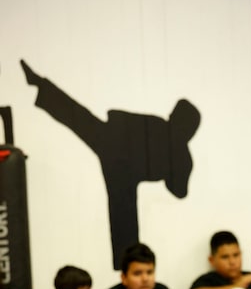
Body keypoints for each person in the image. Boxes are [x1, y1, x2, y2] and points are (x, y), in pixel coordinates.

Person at [21, 60, 200, 269]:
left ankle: (125, 264)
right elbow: (178, 190)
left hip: (118, 161)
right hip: (115, 151)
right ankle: (41, 85)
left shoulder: (176, 149)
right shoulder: (170, 140)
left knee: (79, 119)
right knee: (124, 213)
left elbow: (178, 189)